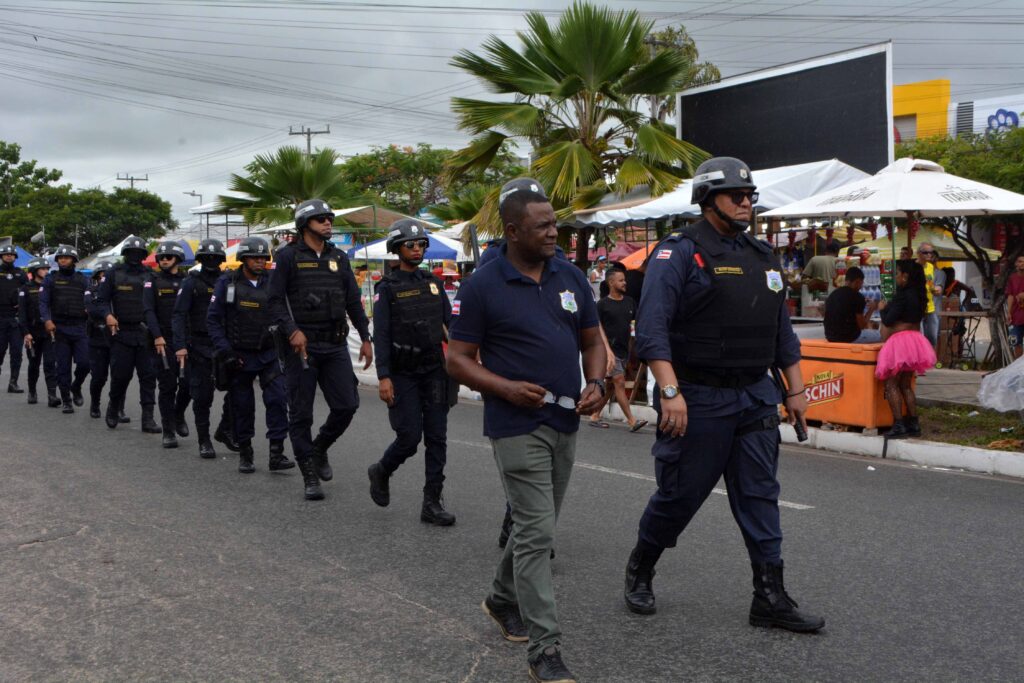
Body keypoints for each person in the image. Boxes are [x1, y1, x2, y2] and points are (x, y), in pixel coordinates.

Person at [622, 156, 824, 634]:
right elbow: (651, 330)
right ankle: (641, 568)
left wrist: (795, 391)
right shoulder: (679, 253)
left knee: (760, 496)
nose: (745, 202)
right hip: (697, 395)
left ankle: (770, 598)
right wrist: (669, 391)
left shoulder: (761, 255)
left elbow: (781, 334)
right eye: (736, 195)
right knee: (680, 496)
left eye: (750, 195)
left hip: (754, 395)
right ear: (708, 199)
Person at [447, 178, 606, 683]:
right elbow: (457, 359)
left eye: (555, 223)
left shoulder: (570, 277)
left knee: (536, 528)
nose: (554, 233)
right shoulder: (482, 286)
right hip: (515, 424)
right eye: (543, 227)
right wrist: (505, 388)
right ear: (512, 231)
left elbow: (593, 341)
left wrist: (598, 381)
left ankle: (499, 598)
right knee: (537, 532)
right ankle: (545, 649)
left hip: (566, 420)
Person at [267, 199, 373, 501]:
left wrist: (365, 337)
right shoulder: (287, 257)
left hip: (335, 344)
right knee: (301, 414)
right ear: (305, 225)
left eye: (329, 218)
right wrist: (293, 331)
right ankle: (309, 475)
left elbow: (353, 299)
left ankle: (319, 448)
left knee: (347, 405)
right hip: (302, 347)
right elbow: (274, 301)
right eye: (321, 219)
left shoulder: (339, 257)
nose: (328, 223)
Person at [367, 219, 456, 525]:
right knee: (409, 438)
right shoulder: (387, 289)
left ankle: (432, 502)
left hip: (433, 371)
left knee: (437, 437)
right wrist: (384, 376)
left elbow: (449, 325)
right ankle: (382, 470)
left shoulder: (433, 283)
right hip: (402, 373)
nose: (417, 249)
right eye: (410, 245)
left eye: (421, 244)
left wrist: (461, 355)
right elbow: (380, 334)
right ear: (396, 249)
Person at [208, 237, 294, 474]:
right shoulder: (227, 282)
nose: (260, 261)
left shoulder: (273, 282)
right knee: (242, 406)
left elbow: (284, 313)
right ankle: (245, 452)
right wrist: (225, 352)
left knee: (278, 399)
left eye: (263, 258)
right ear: (243, 259)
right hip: (239, 356)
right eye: (255, 257)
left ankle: (276, 452)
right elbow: (213, 320)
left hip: (268, 353)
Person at [172, 239, 235, 458]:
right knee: (201, 395)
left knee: (236, 391)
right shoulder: (191, 282)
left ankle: (224, 430)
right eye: (206, 258)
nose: (211, 261)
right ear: (200, 260)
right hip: (197, 344)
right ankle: (204, 440)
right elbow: (179, 314)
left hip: (222, 344)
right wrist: (180, 345)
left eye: (215, 258)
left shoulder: (227, 281)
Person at [91, 235, 159, 432]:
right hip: (122, 333)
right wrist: (108, 315)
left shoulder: (150, 275)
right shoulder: (114, 273)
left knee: (148, 377)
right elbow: (101, 301)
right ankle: (113, 407)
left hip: (145, 334)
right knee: (121, 376)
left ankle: (148, 418)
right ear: (125, 254)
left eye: (139, 253)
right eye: (132, 253)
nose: (135, 256)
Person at [876, 260, 936, 438]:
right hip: (916, 340)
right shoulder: (919, 295)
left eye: (897, 273)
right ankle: (914, 423)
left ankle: (898, 425)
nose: (895, 277)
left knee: (891, 383)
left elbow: (888, 320)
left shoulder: (901, 296)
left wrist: (882, 309)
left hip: (899, 342)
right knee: (906, 385)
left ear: (905, 276)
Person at [144, 241, 191, 448]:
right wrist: (157, 335)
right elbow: (148, 310)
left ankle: (179, 413)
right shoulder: (151, 281)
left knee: (189, 385)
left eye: (168, 257)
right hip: (162, 340)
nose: (164, 260)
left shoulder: (187, 281)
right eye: (161, 257)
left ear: (178, 259)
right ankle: (168, 430)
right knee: (167, 386)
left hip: (186, 340)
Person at [589, 267, 647, 431]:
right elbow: (596, 329)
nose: (624, 283)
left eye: (624, 280)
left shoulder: (630, 302)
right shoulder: (602, 305)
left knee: (610, 386)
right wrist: (606, 351)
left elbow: (637, 323)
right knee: (619, 382)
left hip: (624, 351)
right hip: (608, 352)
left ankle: (594, 415)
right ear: (611, 282)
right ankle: (631, 420)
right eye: (621, 280)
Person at [39, 244, 92, 414]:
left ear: (74, 260)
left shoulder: (83, 279)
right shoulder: (50, 279)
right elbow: (44, 302)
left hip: (79, 328)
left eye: (66, 257)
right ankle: (66, 400)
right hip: (59, 328)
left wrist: (89, 308)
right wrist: (47, 320)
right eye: (60, 257)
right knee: (62, 367)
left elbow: (91, 298)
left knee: (84, 364)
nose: (63, 260)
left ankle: (76, 387)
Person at [86, 261, 129, 423]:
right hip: (98, 337)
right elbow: (92, 309)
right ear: (97, 276)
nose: (105, 277)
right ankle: (95, 404)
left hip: (118, 337)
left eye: (107, 274)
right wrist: (108, 315)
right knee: (99, 376)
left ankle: (119, 408)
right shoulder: (91, 291)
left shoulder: (120, 291)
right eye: (102, 274)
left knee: (120, 375)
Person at [17, 257, 59, 406]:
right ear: (34, 271)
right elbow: (21, 314)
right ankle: (32, 392)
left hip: (48, 332)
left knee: (50, 363)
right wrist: (25, 333)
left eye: (47, 269)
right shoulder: (25, 289)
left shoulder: (51, 287)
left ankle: (52, 395)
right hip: (32, 333)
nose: (46, 271)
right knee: (34, 364)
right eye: (43, 269)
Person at [824, 266, 880, 343]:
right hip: (850, 338)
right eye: (861, 283)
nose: (861, 287)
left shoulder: (833, 294)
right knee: (882, 335)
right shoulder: (857, 297)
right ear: (857, 282)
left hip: (831, 337)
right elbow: (862, 326)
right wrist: (871, 309)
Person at [0, 244, 27, 393]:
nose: (9, 256)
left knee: (16, 352)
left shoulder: (20, 274)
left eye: (11, 254)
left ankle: (13, 382)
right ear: (2, 256)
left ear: (15, 257)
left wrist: (22, 304)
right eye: (6, 254)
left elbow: (27, 291)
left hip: (15, 318)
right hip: (0, 317)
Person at [799, 240, 840, 316]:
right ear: (837, 252)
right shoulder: (840, 261)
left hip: (816, 300)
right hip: (835, 297)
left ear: (826, 250)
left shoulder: (815, 259)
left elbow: (804, 279)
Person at [916, 243, 940, 348]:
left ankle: (931, 362)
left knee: (932, 338)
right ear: (918, 253)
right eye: (925, 252)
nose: (929, 255)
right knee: (919, 339)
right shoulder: (914, 267)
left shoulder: (930, 266)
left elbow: (930, 284)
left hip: (930, 307)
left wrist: (935, 289)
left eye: (931, 252)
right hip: (917, 307)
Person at [1006, 256, 1024, 359]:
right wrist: (1008, 312)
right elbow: (1010, 295)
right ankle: (1018, 369)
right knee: (1016, 342)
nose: (1022, 263)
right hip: (1016, 315)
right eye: (1020, 261)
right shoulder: (1012, 278)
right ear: (1016, 264)